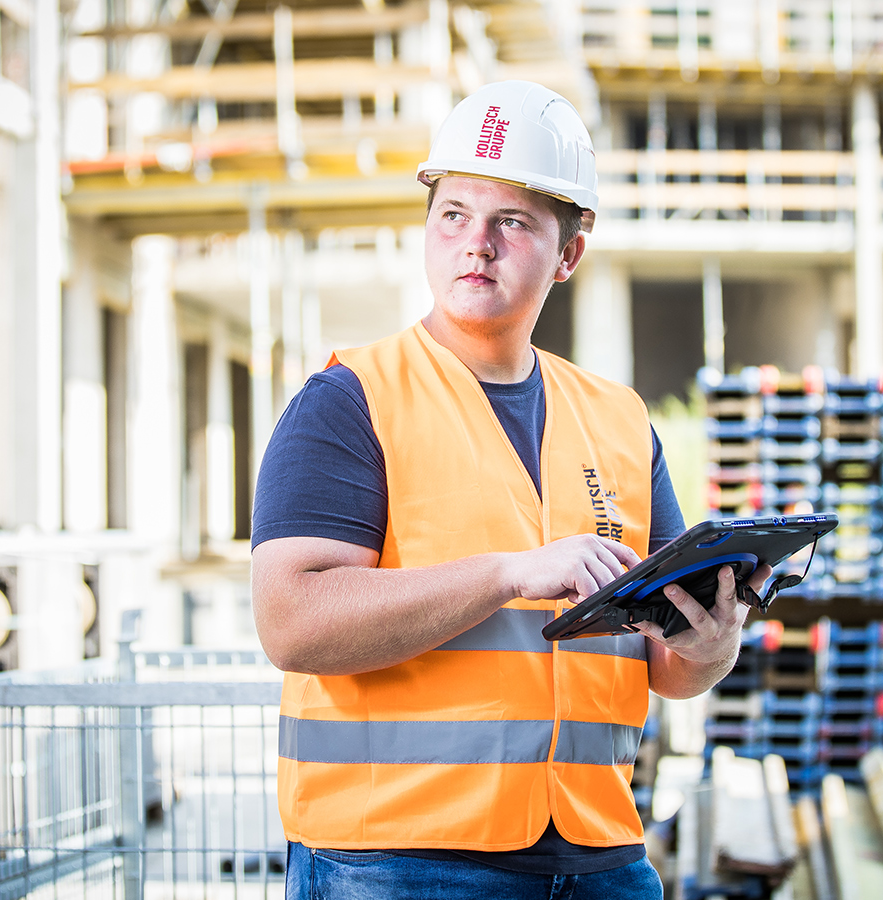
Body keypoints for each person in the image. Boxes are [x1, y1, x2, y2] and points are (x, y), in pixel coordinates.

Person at [251, 80, 771, 900]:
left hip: (600, 857)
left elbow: (666, 662)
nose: (475, 244)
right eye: (453, 213)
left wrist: (712, 647)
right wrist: (507, 574)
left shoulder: (620, 420)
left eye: (512, 222)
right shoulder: (352, 400)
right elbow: (291, 623)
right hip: (398, 865)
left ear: (568, 254)